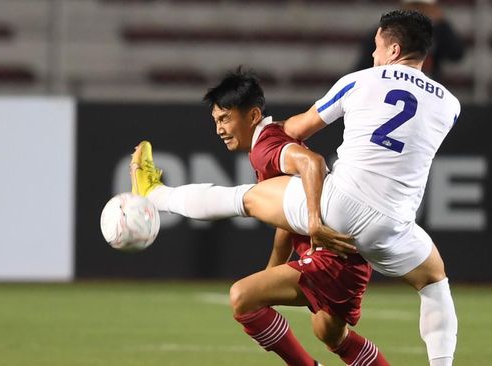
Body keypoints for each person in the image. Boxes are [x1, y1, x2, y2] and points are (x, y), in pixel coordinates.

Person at [131, 10, 459, 366]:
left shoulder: (362, 80)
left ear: (393, 49)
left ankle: (155, 194)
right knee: (434, 283)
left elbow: (300, 130)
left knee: (246, 199)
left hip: (340, 207)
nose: (373, 56)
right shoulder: (450, 105)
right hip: (394, 225)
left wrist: (269, 140)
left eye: (377, 48)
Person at [131, 68, 388, 365]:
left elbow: (312, 163)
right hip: (348, 259)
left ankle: (156, 194)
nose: (219, 129)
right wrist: (271, 274)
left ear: (253, 116)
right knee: (329, 333)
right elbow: (287, 219)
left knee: (242, 296)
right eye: (215, 121)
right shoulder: (270, 141)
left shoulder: (265, 148)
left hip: (332, 259)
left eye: (225, 118)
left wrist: (315, 222)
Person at [354, 0, 464, 82]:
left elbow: (456, 55)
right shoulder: (383, 33)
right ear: (404, 8)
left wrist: (442, 23)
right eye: (414, 6)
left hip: (426, 87)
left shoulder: (438, 32)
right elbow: (363, 66)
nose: (418, 11)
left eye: (424, 8)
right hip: (388, 87)